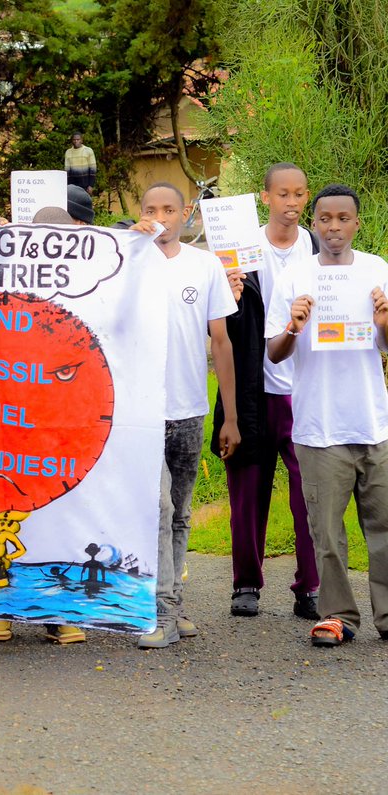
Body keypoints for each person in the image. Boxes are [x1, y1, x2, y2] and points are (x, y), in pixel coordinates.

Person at [265, 183, 388, 647]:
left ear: (357, 223)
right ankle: (338, 616)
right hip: (318, 429)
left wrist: (383, 322)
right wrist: (293, 328)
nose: (334, 227)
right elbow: (275, 355)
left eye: (343, 219)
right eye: (325, 220)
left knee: (384, 527)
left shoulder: (377, 270)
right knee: (328, 535)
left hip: (374, 423)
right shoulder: (297, 276)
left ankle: (387, 614)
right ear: (314, 225)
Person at [137, 182, 240, 649]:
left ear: (185, 215)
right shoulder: (128, 263)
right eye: (151, 209)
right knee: (156, 508)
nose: (161, 216)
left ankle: (175, 603)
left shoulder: (205, 265)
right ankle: (159, 611)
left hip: (189, 409)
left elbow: (220, 341)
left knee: (179, 510)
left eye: (170, 209)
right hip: (141, 412)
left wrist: (230, 415)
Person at [215, 163, 319, 619]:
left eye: (299, 194)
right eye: (282, 194)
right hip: (251, 389)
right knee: (247, 492)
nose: (291, 203)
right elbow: (221, 327)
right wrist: (230, 294)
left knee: (310, 495)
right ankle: (246, 584)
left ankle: (309, 587)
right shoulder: (240, 249)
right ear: (265, 197)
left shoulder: (317, 249)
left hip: (306, 392)